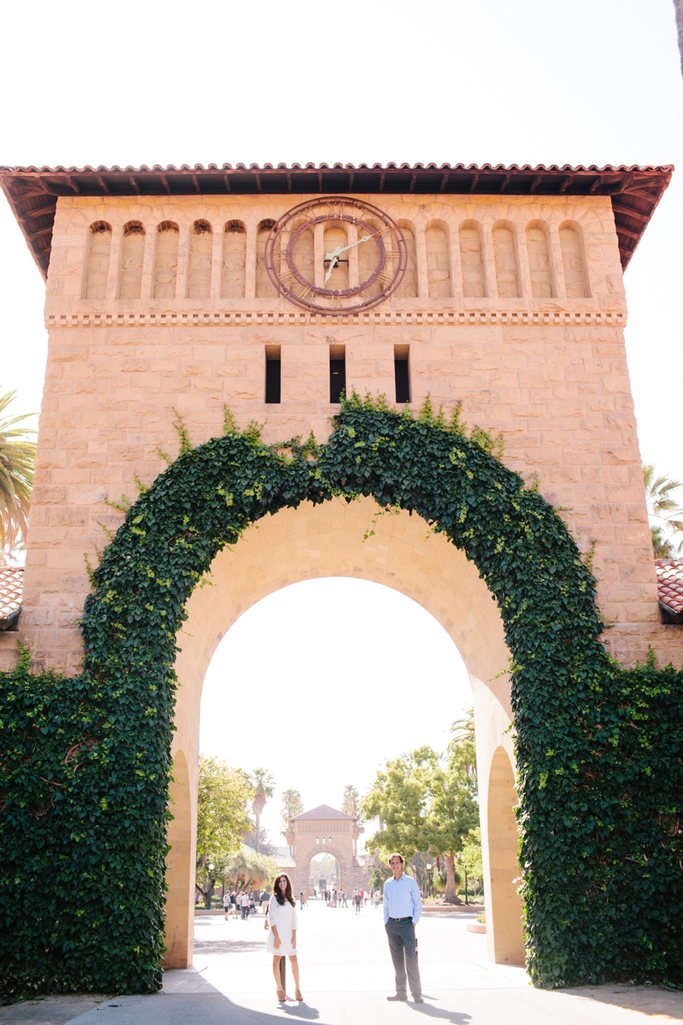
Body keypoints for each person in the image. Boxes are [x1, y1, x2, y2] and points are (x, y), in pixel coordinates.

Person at [382, 853, 424, 1004]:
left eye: (397, 863)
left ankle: (417, 993)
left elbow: (418, 904)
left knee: (411, 959)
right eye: (392, 863)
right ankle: (400, 992)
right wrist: (386, 922)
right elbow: (385, 906)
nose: (395, 866)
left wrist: (414, 922)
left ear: (402, 864)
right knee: (397, 960)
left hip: (407, 924)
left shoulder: (410, 882)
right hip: (392, 925)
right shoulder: (388, 884)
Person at [266, 873, 303, 1003]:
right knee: (277, 959)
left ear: (287, 883)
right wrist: (276, 936)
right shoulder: (274, 899)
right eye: (280, 882)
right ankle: (279, 989)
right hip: (278, 934)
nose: (282, 883)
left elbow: (294, 919)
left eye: (284, 881)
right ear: (277, 884)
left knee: (294, 958)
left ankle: (297, 989)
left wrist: (294, 936)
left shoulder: (291, 899)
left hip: (288, 934)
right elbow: (271, 917)